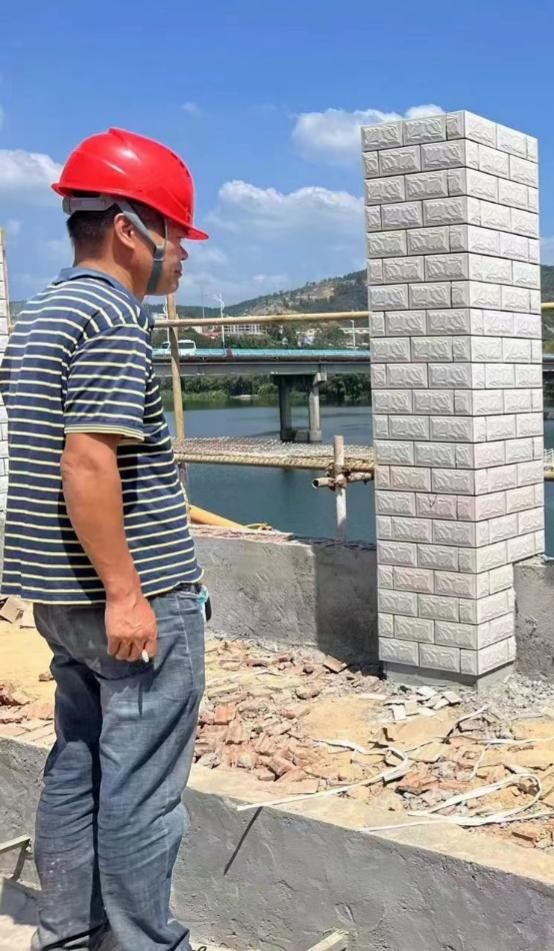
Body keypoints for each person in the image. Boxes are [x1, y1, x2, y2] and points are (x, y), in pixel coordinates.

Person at [0, 127, 210, 949]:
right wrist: (126, 591)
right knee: (143, 788)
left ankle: (68, 934)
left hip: (59, 598)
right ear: (128, 229)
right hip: (128, 598)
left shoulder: (40, 315)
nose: (182, 257)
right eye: (175, 236)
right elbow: (87, 460)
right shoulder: (114, 318)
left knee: (80, 758)